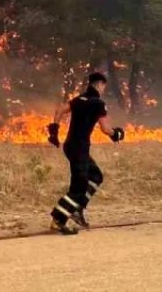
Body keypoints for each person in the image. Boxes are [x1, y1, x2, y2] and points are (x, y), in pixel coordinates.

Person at [46, 71, 124, 235]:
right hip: (79, 148)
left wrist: (54, 131)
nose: (103, 89)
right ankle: (58, 221)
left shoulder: (78, 99)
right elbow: (105, 129)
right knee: (78, 185)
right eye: (104, 86)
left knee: (96, 176)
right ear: (100, 85)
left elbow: (60, 110)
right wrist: (117, 134)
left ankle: (77, 208)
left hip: (70, 146)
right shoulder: (98, 103)